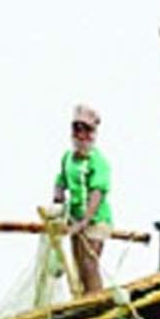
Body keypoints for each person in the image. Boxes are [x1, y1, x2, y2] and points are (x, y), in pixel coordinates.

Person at [53, 105, 112, 294]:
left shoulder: (98, 160)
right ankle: (82, 300)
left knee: (89, 263)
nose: (81, 134)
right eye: (77, 129)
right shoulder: (68, 158)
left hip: (96, 220)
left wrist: (85, 221)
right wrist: (58, 195)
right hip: (75, 218)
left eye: (86, 130)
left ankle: (96, 301)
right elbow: (61, 180)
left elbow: (97, 193)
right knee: (77, 266)